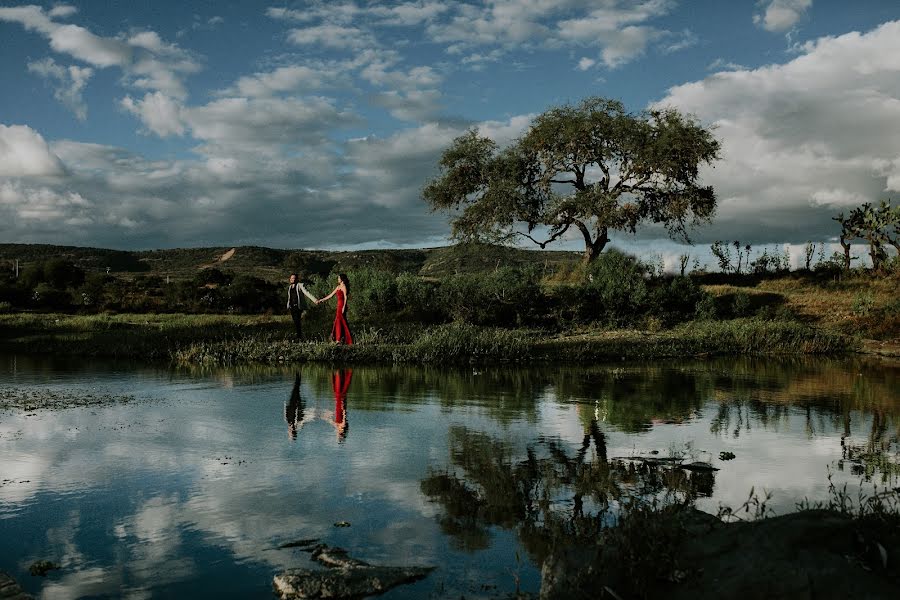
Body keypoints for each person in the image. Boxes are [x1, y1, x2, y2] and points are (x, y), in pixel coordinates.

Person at [317, 273, 353, 345]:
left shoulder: (344, 287)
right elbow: (331, 295)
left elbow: (345, 297)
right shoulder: (338, 287)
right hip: (338, 305)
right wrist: (322, 299)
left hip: (342, 305)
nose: (338, 279)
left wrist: (344, 307)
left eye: (339, 278)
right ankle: (339, 339)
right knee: (338, 321)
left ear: (342, 279)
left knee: (341, 321)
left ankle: (340, 339)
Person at [286, 273, 317, 340]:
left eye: (293, 278)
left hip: (298, 307)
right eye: (291, 278)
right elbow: (289, 298)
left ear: (296, 279)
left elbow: (306, 293)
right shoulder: (290, 287)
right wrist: (288, 306)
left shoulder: (300, 285)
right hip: (292, 307)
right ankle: (299, 335)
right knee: (295, 322)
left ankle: (299, 336)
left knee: (297, 321)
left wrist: (314, 300)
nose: (292, 279)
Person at [331, 368, 352, 441]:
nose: (337, 434)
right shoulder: (342, 425)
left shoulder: (338, 426)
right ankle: (340, 371)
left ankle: (339, 371)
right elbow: (344, 415)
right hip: (340, 403)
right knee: (339, 385)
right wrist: (343, 405)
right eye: (338, 435)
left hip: (338, 403)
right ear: (341, 433)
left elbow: (333, 420)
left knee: (337, 384)